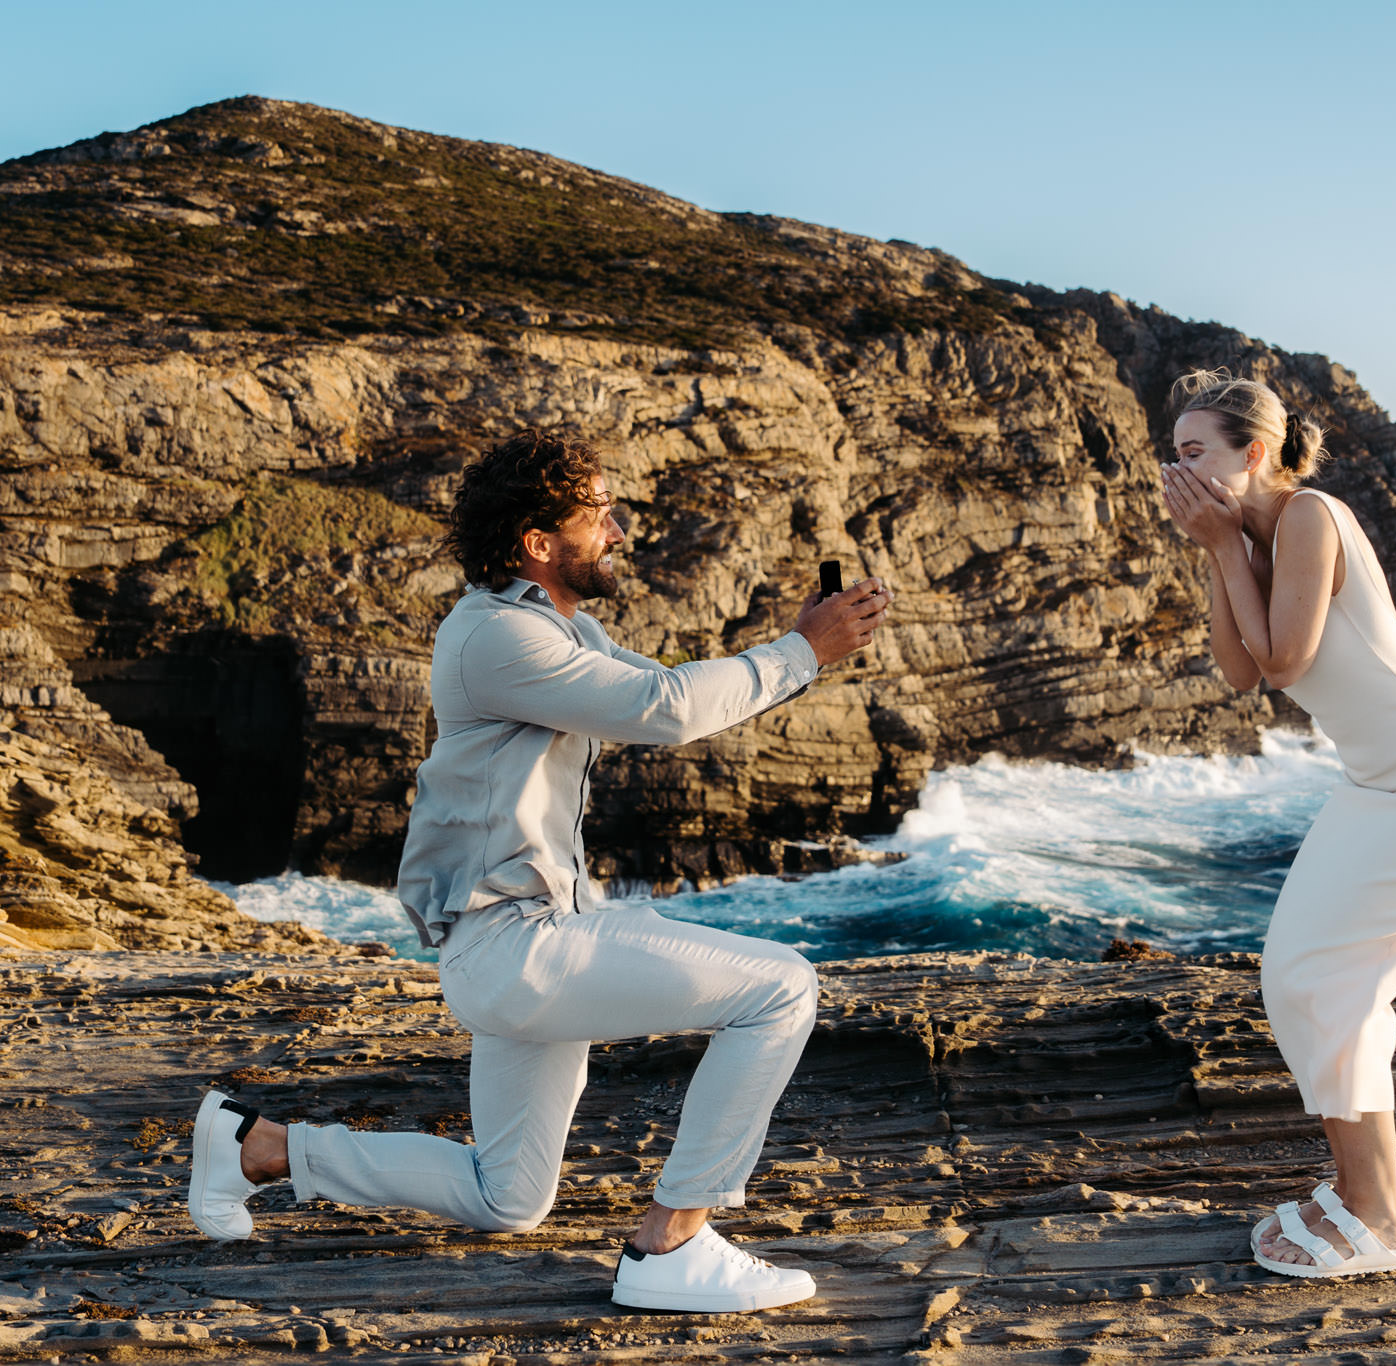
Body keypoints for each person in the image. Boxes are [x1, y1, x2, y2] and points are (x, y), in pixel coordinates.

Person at [186, 429, 893, 1313]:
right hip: (514, 948)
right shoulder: (494, 639)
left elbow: (675, 694)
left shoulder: (564, 628)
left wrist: (801, 648)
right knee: (781, 989)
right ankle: (669, 1246)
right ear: (537, 544)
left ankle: (262, 1148)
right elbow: (664, 710)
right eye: (600, 515)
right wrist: (801, 652)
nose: (620, 531)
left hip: (530, 941)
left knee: (507, 1195)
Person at [1157, 370, 1396, 1278]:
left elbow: (1285, 662)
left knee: (1334, 980)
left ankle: (1383, 1217)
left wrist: (1224, 547)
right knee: (1300, 973)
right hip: (1380, 779)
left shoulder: (1311, 516)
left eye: (1196, 451)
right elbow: (1240, 675)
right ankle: (1360, 1190)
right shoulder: (1246, 536)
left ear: (1256, 452)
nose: (1182, 469)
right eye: (1175, 456)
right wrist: (1216, 548)